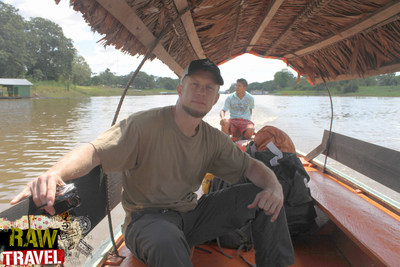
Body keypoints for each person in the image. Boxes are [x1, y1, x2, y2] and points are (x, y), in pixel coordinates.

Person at [11, 59, 294, 267]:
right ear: (180, 88)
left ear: (215, 99)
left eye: (209, 88)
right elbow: (94, 151)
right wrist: (53, 173)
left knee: (263, 196)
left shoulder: (212, 139)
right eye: (194, 84)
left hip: (191, 214)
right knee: (166, 240)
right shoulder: (143, 125)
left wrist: (274, 187)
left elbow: (250, 167)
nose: (201, 92)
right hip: (147, 221)